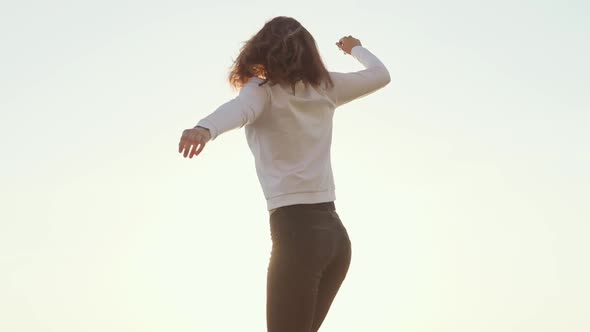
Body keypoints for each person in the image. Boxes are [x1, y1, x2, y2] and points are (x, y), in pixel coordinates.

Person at [178, 16, 390, 332]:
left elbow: (237, 111)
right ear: (308, 52)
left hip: (297, 235)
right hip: (334, 239)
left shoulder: (262, 91)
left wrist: (204, 128)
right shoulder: (327, 87)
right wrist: (355, 48)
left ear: (260, 50)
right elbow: (380, 75)